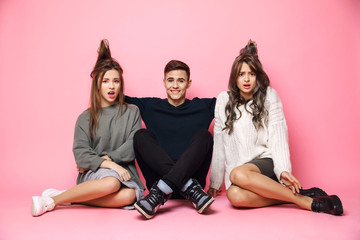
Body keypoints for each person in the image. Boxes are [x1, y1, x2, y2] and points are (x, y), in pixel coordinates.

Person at [208, 40, 343, 215]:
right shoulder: (223, 101)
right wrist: (215, 183)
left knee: (237, 174)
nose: (247, 79)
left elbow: (278, 136)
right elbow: (219, 143)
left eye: (251, 74)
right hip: (243, 174)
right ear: (235, 77)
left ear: (258, 76)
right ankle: (300, 195)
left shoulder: (269, 96)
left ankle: (305, 202)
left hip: (266, 163)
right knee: (234, 195)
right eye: (241, 74)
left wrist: (283, 170)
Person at [31, 39, 145, 217]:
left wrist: (107, 159)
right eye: (106, 81)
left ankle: (67, 196)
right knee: (111, 184)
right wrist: (108, 164)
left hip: (125, 173)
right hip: (96, 173)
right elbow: (81, 155)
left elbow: (132, 147)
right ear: (97, 84)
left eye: (116, 81)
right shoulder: (85, 118)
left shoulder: (132, 111)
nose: (111, 86)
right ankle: (50, 201)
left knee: (130, 195)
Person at [125, 60, 216, 219]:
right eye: (170, 80)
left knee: (205, 135)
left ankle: (167, 189)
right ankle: (185, 186)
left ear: (188, 83)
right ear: (164, 82)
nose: (175, 85)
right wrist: (103, 63)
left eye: (180, 81)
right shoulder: (150, 106)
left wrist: (250, 59)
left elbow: (236, 96)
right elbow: (115, 94)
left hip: (185, 185)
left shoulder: (203, 106)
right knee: (141, 135)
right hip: (166, 185)